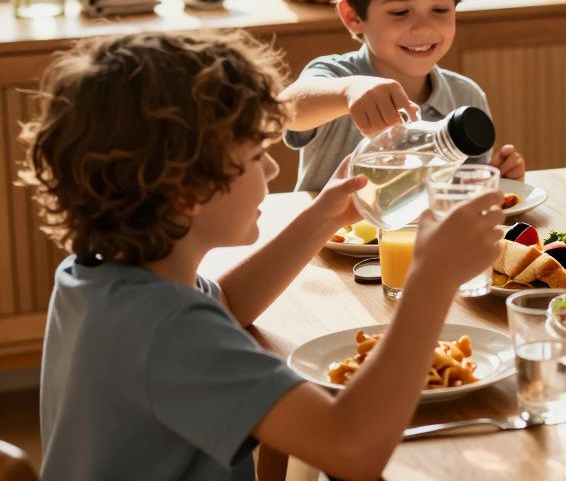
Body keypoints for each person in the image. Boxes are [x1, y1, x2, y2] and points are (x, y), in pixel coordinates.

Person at [24, 30, 504, 480]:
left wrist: (324, 215)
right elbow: (352, 447)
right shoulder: (170, 330)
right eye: (256, 155)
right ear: (188, 189)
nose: (273, 165)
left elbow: (226, 306)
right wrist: (432, 280)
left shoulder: (97, 275)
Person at [280, 0, 525, 191]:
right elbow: (288, 109)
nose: (423, 27)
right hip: (334, 236)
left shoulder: (465, 97)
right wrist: (347, 93)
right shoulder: (335, 77)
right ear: (353, 16)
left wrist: (497, 179)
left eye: (440, 9)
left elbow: (463, 198)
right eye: (400, 11)